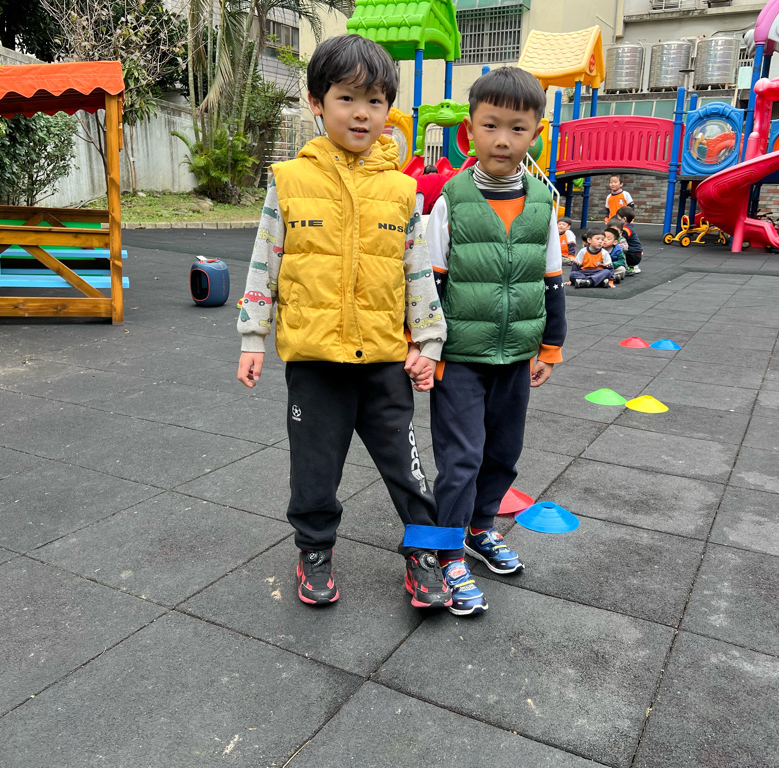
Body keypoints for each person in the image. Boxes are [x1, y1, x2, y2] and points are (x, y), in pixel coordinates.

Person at [237, 34, 463, 609]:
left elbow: (417, 272)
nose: (362, 113)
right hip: (315, 361)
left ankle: (425, 554)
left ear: (389, 110)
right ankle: (314, 550)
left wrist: (429, 342)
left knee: (408, 469)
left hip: (384, 360)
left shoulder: (402, 191)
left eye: (375, 101)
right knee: (314, 469)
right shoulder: (289, 180)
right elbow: (266, 259)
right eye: (347, 98)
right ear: (317, 102)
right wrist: (253, 336)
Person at [425, 66, 566, 615]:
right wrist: (427, 346)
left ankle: (480, 527)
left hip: (515, 356)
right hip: (459, 356)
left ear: (536, 134)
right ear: (470, 130)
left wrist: (549, 347)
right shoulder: (451, 200)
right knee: (461, 456)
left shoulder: (542, 204)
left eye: (517, 128)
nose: (502, 139)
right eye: (490, 125)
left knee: (504, 451)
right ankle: (446, 551)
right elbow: (431, 281)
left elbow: (551, 280)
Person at [619, 206, 643, 274]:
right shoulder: (630, 227)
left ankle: (628, 266)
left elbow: (619, 240)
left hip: (633, 255)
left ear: (624, 219)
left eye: (618, 218)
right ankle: (633, 266)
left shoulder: (625, 230)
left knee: (619, 248)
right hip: (637, 253)